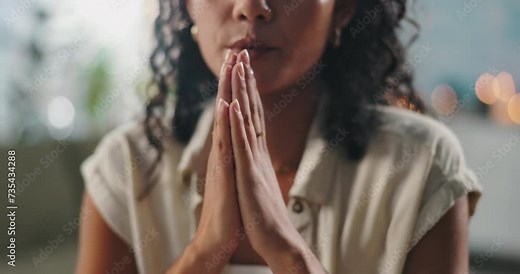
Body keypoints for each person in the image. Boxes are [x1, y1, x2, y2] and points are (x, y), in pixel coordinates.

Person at [76, 0, 483, 273]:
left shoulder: (421, 163)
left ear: (342, 10)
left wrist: (288, 252)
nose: (251, 8)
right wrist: (206, 251)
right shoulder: (126, 167)